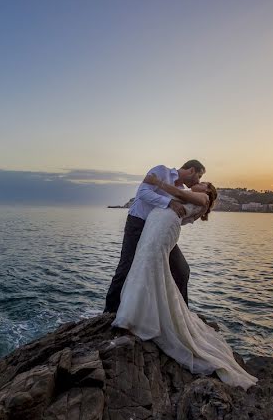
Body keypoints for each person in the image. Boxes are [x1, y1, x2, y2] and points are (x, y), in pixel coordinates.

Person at [112, 177, 257, 389]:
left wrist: (158, 183)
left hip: (164, 225)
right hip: (158, 222)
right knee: (146, 263)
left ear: (208, 190)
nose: (199, 182)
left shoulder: (203, 196)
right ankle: (138, 312)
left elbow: (180, 196)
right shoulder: (199, 199)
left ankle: (139, 315)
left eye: (203, 182)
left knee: (150, 262)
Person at [104, 160, 204, 314]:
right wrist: (169, 202)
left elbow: (174, 215)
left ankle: (182, 314)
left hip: (159, 231)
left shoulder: (181, 191)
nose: (198, 181)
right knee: (126, 267)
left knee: (181, 270)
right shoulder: (161, 171)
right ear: (191, 170)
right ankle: (109, 313)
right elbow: (143, 193)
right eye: (199, 176)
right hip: (138, 224)